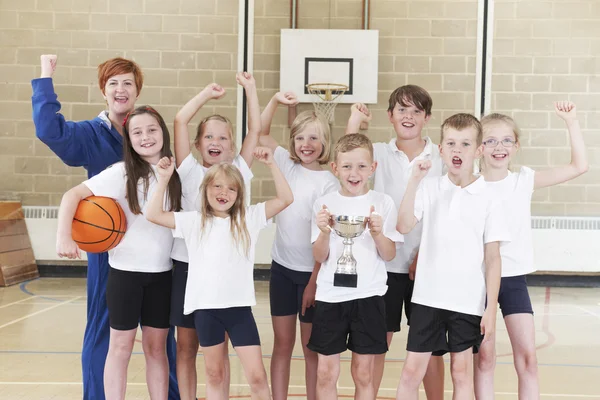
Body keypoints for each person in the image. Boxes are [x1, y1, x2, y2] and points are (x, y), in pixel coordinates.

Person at [32, 55, 180, 400]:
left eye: (127, 82)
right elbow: (48, 130)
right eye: (113, 83)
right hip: (110, 253)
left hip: (159, 254)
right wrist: (45, 77)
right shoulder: (90, 134)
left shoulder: (150, 135)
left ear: (137, 90)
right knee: (106, 336)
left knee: (161, 342)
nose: (120, 89)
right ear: (103, 91)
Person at [146, 146, 293, 400]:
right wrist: (162, 180)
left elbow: (285, 199)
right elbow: (153, 214)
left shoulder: (248, 218)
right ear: (205, 190)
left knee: (257, 376)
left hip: (239, 311)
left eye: (231, 188)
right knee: (214, 374)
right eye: (217, 186)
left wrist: (271, 165)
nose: (223, 192)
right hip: (206, 311)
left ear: (239, 194)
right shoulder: (193, 221)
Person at [474, 101, 588, 399]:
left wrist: (571, 122)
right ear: (479, 147)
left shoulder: (523, 180)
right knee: (484, 358)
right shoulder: (470, 186)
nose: (499, 146)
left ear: (516, 145)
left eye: (507, 140)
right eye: (490, 140)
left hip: (513, 280)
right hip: (478, 281)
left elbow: (579, 167)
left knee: (528, 358)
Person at [395, 113, 510, 400]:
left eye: (465, 144)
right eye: (451, 144)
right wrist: (413, 181)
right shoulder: (430, 187)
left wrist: (490, 310)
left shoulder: (491, 196)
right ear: (441, 149)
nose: (457, 151)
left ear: (479, 150)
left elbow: (493, 258)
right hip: (426, 298)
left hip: (467, 300)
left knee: (461, 372)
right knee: (411, 372)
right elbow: (403, 225)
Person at [345, 85, 445, 399]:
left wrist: (424, 254)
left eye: (416, 111)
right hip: (384, 264)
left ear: (426, 118)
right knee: (378, 343)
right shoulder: (378, 152)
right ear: (390, 116)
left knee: (429, 348)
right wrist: (354, 119)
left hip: (426, 267)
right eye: (402, 109)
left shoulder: (440, 156)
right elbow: (347, 154)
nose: (409, 116)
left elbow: (443, 213)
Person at [169, 74, 260, 400]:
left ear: (232, 146)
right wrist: (206, 94)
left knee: (218, 353)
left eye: (223, 137)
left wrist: (250, 89)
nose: (216, 141)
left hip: (224, 276)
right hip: (188, 269)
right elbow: (180, 119)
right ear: (197, 143)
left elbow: (256, 131)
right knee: (187, 346)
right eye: (209, 135)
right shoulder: (190, 170)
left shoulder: (238, 170)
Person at [258, 92, 340, 400]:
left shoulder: (329, 182)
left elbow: (324, 236)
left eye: (314, 138)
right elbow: (262, 133)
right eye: (300, 137)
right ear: (293, 142)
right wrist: (275, 101)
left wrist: (313, 282)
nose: (306, 144)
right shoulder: (285, 163)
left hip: (311, 277)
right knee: (281, 345)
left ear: (325, 143)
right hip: (281, 271)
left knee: (310, 351)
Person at [310, 133, 403, 400]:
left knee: (364, 373)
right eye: (347, 166)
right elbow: (319, 256)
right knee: (326, 372)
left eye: (362, 166)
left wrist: (377, 233)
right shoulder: (324, 204)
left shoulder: (383, 203)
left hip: (369, 296)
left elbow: (389, 254)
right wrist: (325, 231)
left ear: (373, 168)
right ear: (335, 168)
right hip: (330, 296)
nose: (354, 173)